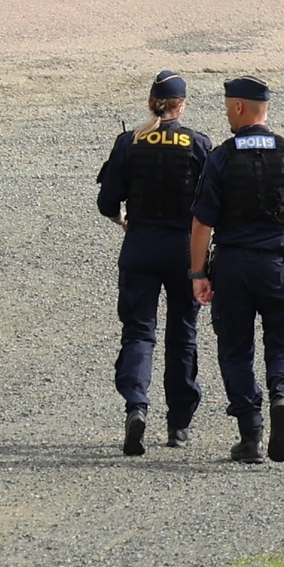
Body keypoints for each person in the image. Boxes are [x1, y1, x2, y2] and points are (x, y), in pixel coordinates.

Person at [189, 76, 284, 466]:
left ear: (239, 107)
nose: (225, 113)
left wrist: (197, 274)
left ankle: (251, 435)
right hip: (279, 267)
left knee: (236, 350)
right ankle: (282, 396)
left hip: (234, 268)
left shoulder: (221, 157)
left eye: (227, 106)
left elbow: (202, 224)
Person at [93, 70, 208, 460]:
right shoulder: (198, 145)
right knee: (183, 335)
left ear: (150, 102)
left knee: (139, 332)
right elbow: (212, 207)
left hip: (140, 247)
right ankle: (179, 425)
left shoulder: (130, 142)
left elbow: (107, 203)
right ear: (182, 105)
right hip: (183, 251)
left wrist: (124, 221)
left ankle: (136, 406)